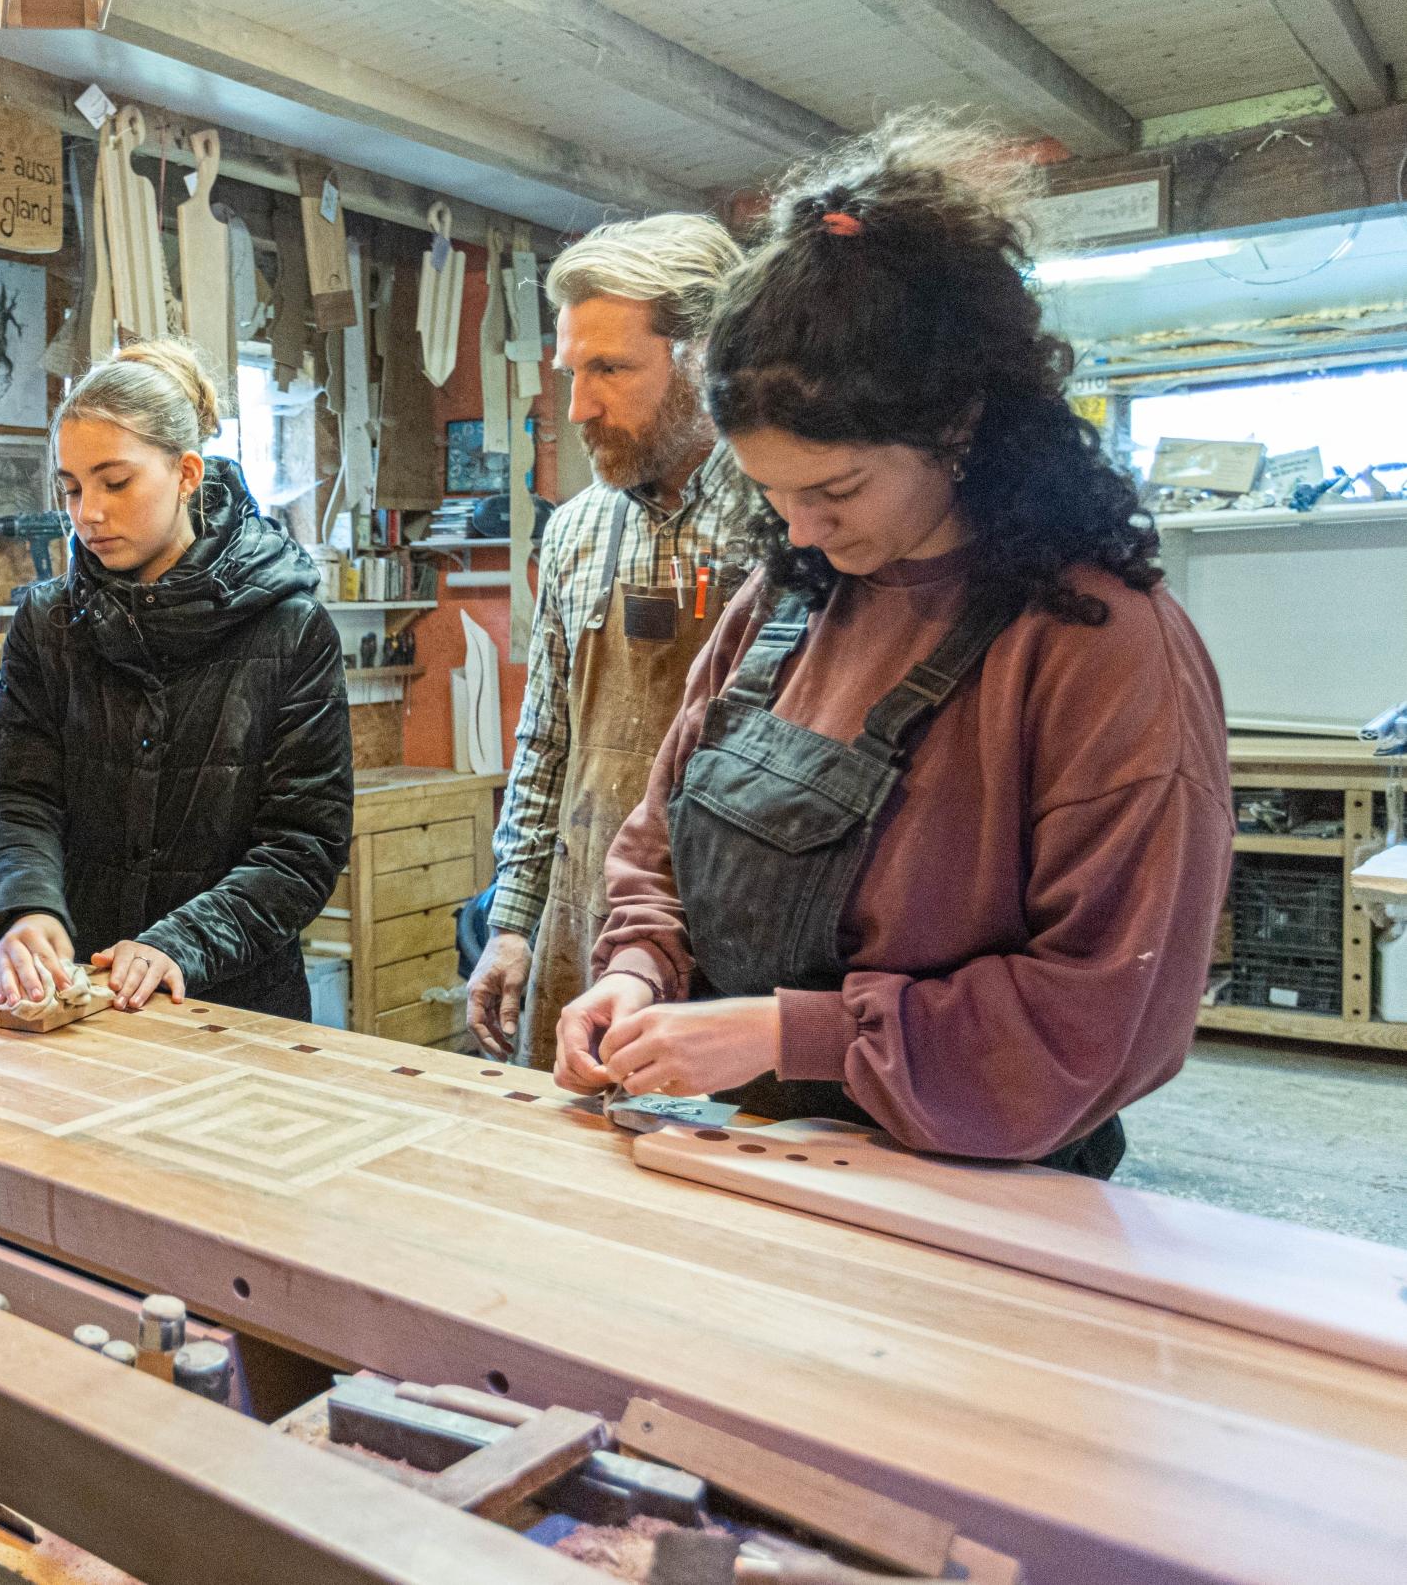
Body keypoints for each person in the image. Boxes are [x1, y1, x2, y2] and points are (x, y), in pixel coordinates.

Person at [557, 117, 1232, 1178]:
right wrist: (638, 969)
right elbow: (658, 849)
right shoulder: (785, 601)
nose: (798, 533)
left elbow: (1102, 1012)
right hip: (741, 1149)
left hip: (980, 1187)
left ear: (958, 424)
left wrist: (791, 1032)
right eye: (770, 494)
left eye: (833, 489)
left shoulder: (1097, 648)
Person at [0, 340, 351, 1021]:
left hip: (236, 1012)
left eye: (115, 483)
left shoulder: (290, 628)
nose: (88, 512)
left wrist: (181, 942)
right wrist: (25, 906)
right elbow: (13, 794)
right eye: (72, 488)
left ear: (186, 473)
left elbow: (302, 845)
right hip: (81, 1000)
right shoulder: (48, 624)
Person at [465, 216, 756, 1071]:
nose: (578, 407)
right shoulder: (576, 531)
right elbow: (548, 740)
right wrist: (513, 922)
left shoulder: (787, 517)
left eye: (611, 369)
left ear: (704, 355)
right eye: (571, 372)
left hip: (730, 941)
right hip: (582, 915)